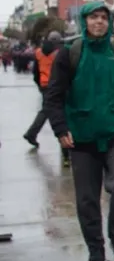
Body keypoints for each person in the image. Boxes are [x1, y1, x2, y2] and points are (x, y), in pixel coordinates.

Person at [43, 2, 114, 261]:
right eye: (94, 17)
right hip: (82, 136)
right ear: (84, 21)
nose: (99, 22)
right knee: (87, 199)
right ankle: (95, 248)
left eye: (104, 18)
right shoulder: (69, 54)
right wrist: (60, 129)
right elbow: (53, 97)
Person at [23, 31, 69, 166]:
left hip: (45, 85)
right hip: (58, 85)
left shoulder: (38, 52)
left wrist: (40, 85)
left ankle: (31, 133)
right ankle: (65, 152)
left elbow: (35, 73)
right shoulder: (61, 52)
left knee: (47, 110)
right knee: (59, 114)